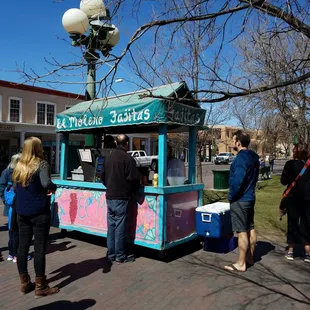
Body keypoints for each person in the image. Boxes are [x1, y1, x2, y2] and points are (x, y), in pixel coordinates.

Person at [12, 137, 59, 297]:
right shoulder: (42, 164)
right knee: (39, 249)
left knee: (22, 247)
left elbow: (15, 187)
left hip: (22, 212)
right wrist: (54, 187)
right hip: (39, 211)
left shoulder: (19, 165)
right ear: (37, 148)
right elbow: (46, 183)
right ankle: (41, 286)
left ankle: (24, 283)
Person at [101, 134, 140, 264]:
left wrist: (110, 187)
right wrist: (130, 192)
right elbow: (134, 180)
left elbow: (102, 177)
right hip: (121, 197)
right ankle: (120, 255)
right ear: (126, 144)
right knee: (120, 227)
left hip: (110, 196)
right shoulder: (128, 159)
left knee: (111, 226)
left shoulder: (108, 158)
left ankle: (111, 254)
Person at [225, 130, 260, 272]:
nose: (232, 143)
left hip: (240, 199)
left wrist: (231, 196)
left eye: (233, 140)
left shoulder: (240, 159)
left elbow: (237, 182)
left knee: (241, 231)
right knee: (250, 227)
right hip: (250, 198)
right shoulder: (253, 157)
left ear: (238, 142)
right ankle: (249, 258)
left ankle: (241, 263)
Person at [280, 144, 310, 262]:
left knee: (292, 223)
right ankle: (308, 253)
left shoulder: (290, 165)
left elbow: (283, 181)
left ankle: (291, 251)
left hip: (292, 198)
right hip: (307, 199)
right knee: (307, 223)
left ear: (296, 152)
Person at [0, 153, 23, 262]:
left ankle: (12, 253)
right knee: (15, 230)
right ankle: (14, 253)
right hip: (13, 205)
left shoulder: (14, 171)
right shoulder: (8, 172)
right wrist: (5, 201)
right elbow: (1, 187)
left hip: (15, 204)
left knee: (14, 229)